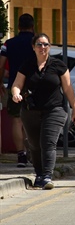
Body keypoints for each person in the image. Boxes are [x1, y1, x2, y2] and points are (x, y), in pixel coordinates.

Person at [10, 33, 75, 189]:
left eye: (46, 44)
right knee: (34, 145)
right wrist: (16, 94)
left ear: (50, 47)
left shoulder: (59, 65)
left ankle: (47, 176)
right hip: (31, 111)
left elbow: (68, 89)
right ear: (33, 47)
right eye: (39, 45)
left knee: (48, 143)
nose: (43, 48)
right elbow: (17, 84)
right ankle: (39, 174)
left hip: (54, 110)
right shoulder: (27, 65)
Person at [0, 13, 36, 167]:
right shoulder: (37, 42)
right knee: (34, 119)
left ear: (19, 26)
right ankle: (34, 152)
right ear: (33, 26)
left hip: (15, 85)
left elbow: (1, 65)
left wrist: (0, 82)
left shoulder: (8, 44)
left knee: (16, 119)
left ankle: (21, 155)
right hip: (35, 85)